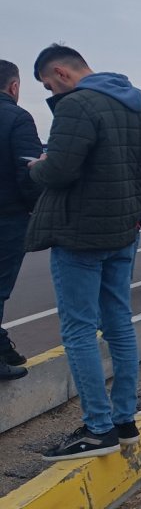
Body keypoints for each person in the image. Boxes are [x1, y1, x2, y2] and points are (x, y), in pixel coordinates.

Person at [27, 44, 141, 460]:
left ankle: (97, 427)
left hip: (79, 234)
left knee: (79, 330)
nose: (52, 93)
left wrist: (36, 167)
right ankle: (124, 421)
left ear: (60, 74)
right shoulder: (139, 108)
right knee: (119, 325)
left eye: (49, 85)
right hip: (121, 232)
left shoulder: (76, 105)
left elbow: (60, 169)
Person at [0, 59, 42, 381]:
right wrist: (33, 208)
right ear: (14, 87)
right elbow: (26, 172)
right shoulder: (17, 117)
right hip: (7, 215)